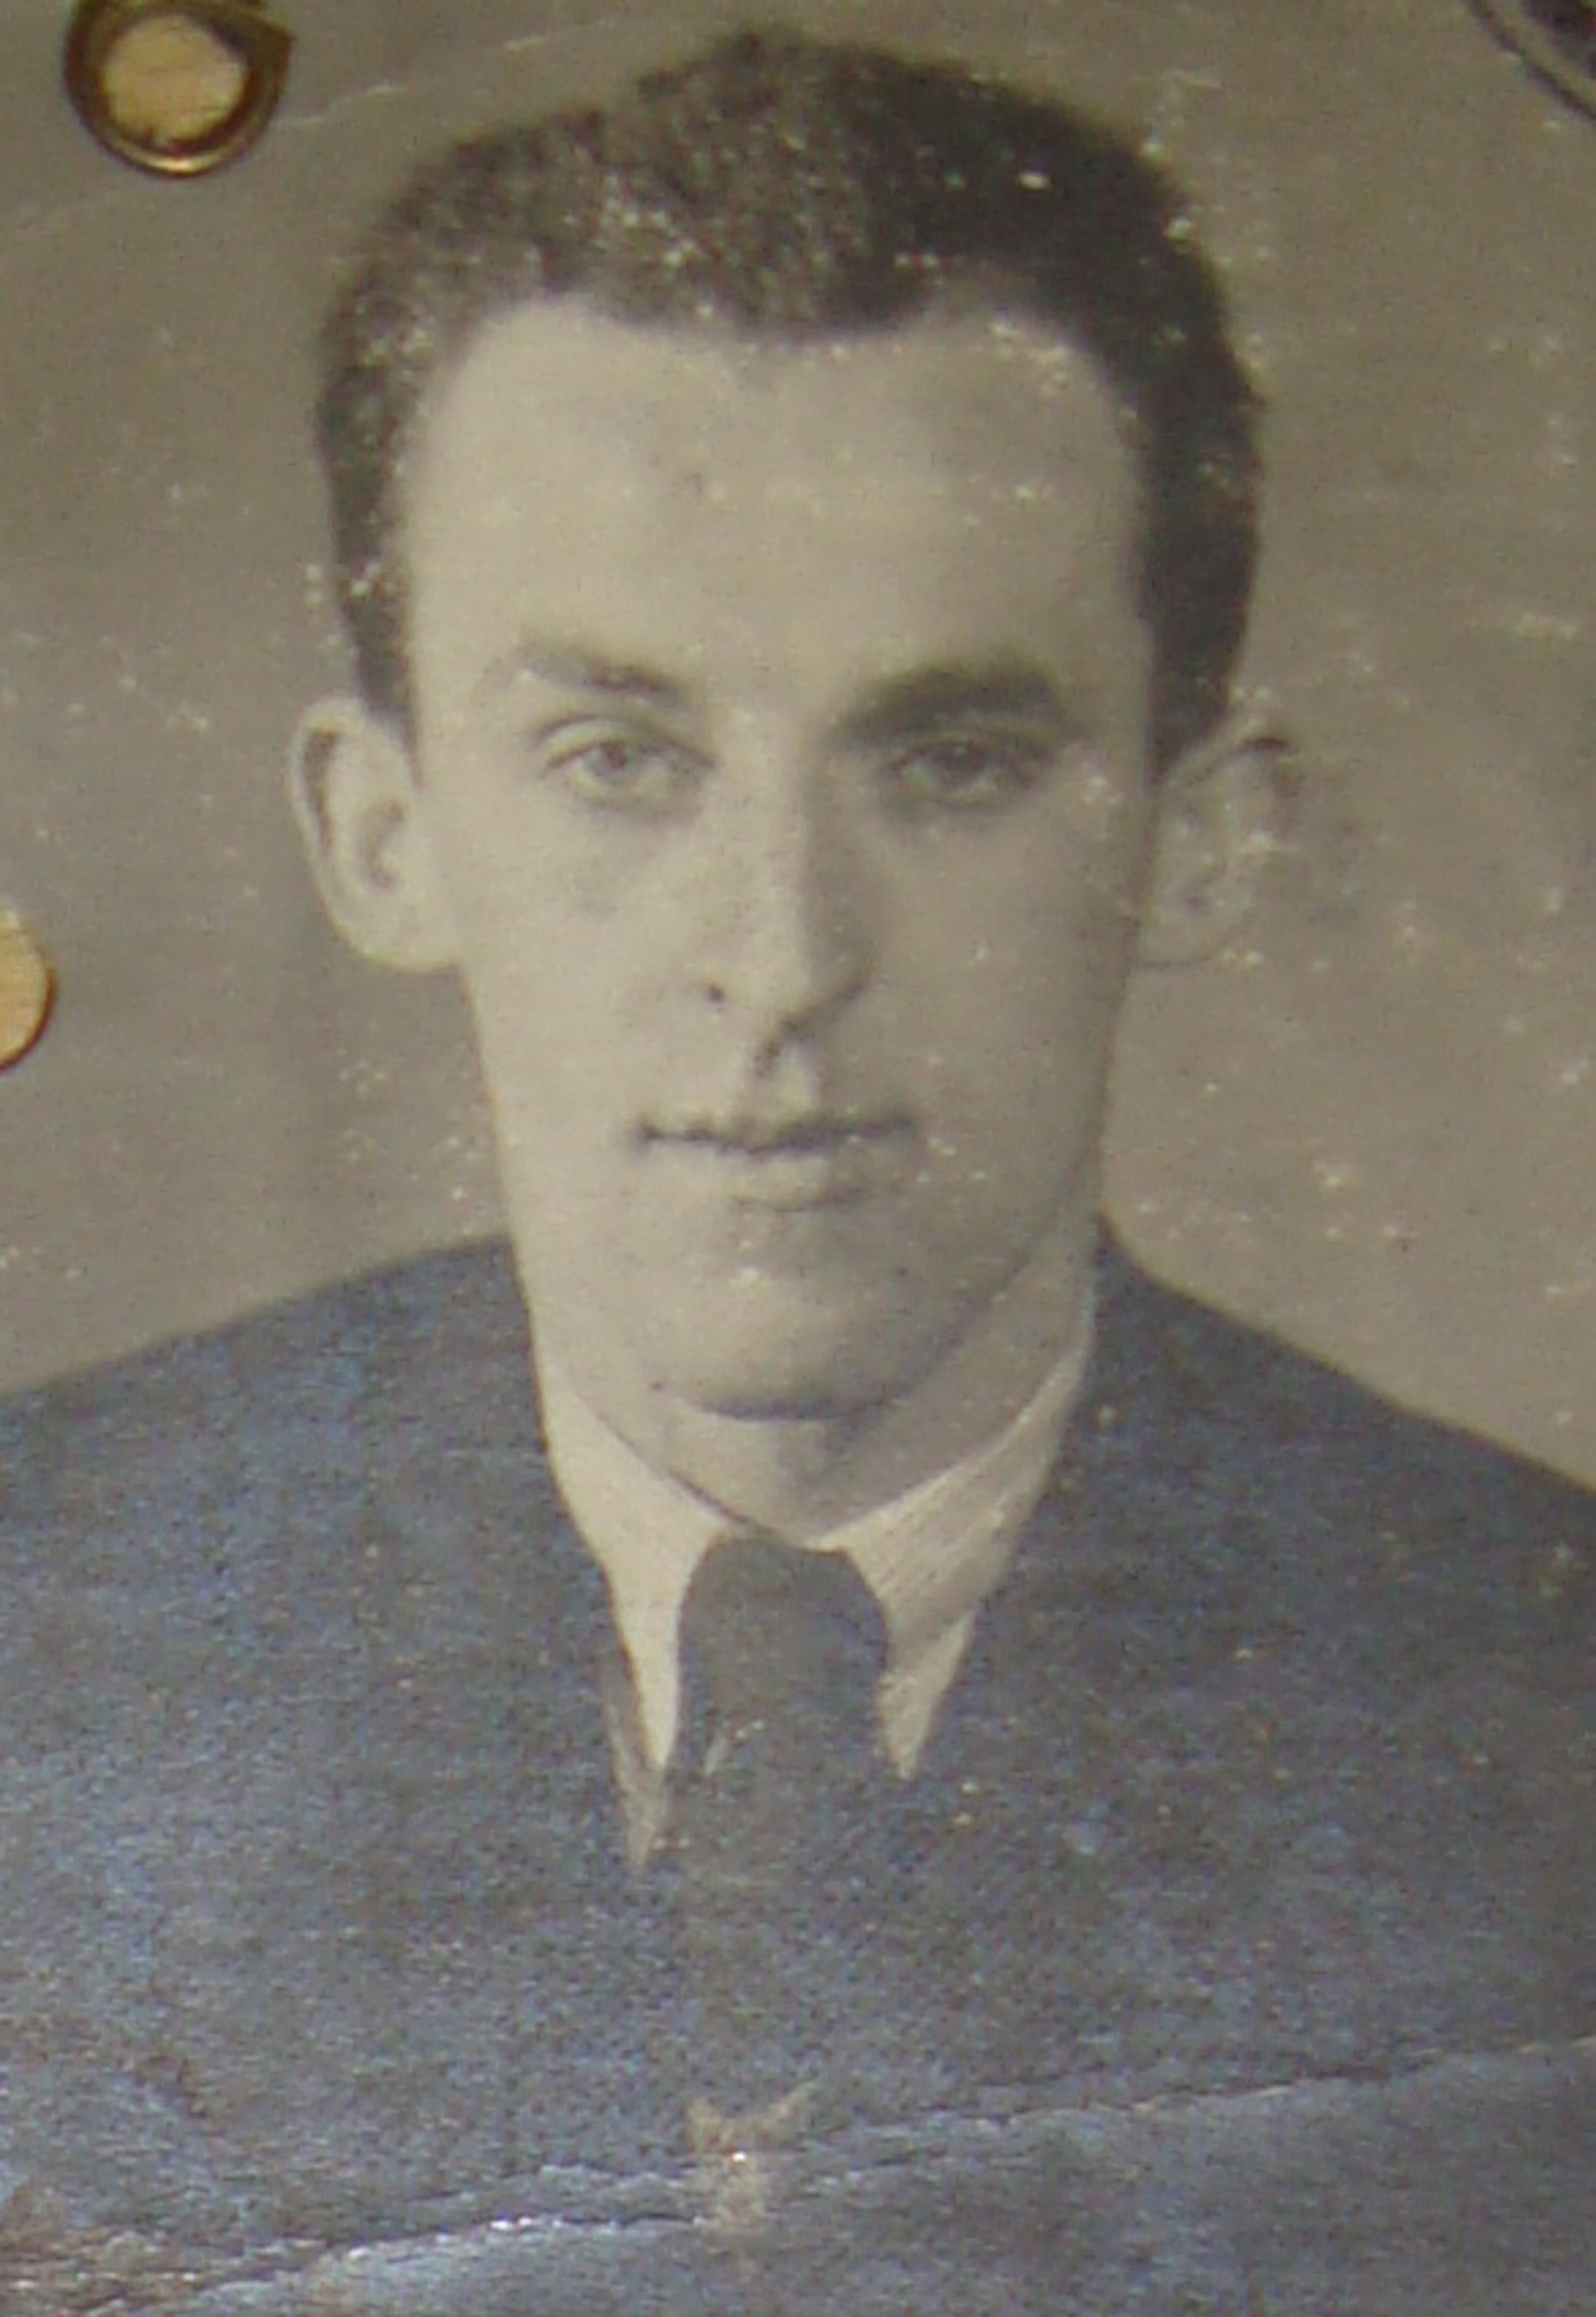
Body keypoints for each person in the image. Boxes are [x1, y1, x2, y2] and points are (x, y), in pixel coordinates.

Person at [1, 26, 1590, 2308]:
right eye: (613, 757)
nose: (777, 958)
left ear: (1198, 837)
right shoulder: (41, 1623)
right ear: (382, 830)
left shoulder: (1538, 1704)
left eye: (949, 761)